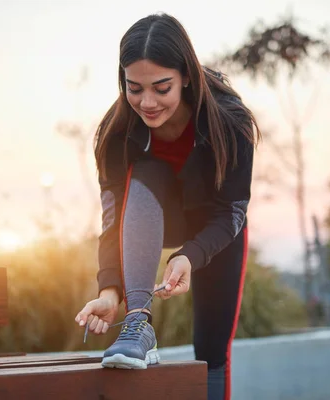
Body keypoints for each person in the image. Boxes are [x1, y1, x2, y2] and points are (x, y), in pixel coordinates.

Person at [75, 12, 260, 400]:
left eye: (162, 88)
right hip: (152, 217)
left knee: (212, 352)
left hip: (216, 230)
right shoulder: (116, 134)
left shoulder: (230, 121)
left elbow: (232, 211)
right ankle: (138, 323)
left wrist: (189, 257)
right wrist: (110, 290)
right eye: (134, 88)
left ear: (186, 76)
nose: (147, 102)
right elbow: (113, 219)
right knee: (148, 171)